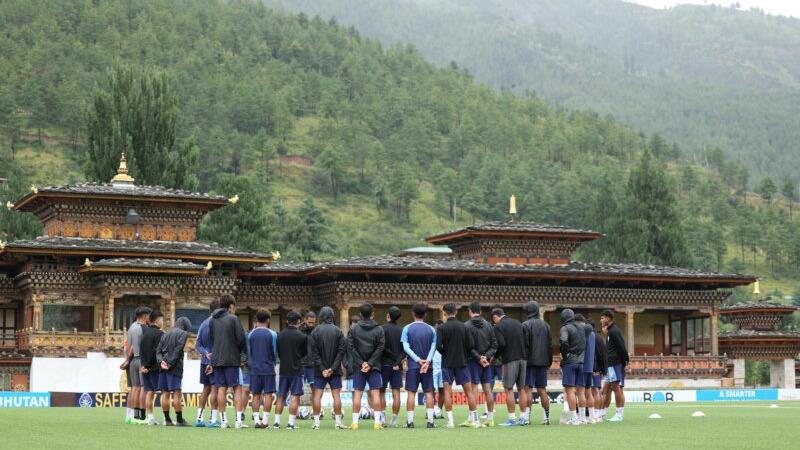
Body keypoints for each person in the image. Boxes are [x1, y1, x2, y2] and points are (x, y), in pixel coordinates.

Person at [207, 294, 247, 429]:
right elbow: (241, 339)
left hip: (217, 359)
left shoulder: (212, 320)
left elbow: (212, 340)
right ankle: (238, 421)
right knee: (236, 389)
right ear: (231, 306)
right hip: (231, 359)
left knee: (221, 389)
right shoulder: (233, 319)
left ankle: (224, 421)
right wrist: (239, 353)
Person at [437, 303, 479, 429]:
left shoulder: (442, 328)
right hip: (462, 362)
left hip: (447, 363)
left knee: (447, 392)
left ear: (444, 313)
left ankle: (450, 422)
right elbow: (471, 345)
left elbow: (438, 346)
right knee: (469, 392)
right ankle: (475, 420)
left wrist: (446, 353)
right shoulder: (464, 326)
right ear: (455, 312)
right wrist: (462, 352)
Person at [347, 303, 385, 430]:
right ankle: (377, 423)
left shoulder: (353, 329)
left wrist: (361, 362)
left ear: (360, 314)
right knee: (375, 394)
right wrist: (370, 363)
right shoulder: (379, 329)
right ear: (372, 314)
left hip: (359, 367)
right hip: (374, 366)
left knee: (357, 394)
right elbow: (380, 347)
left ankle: (355, 423)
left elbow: (351, 347)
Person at [308, 306, 347, 430]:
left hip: (319, 370)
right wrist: (332, 368)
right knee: (336, 396)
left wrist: (322, 368)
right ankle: (338, 422)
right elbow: (341, 352)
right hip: (334, 370)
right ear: (332, 316)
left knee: (317, 395)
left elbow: (314, 353)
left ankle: (316, 423)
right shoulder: (339, 331)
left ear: (321, 317)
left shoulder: (315, 331)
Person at [401, 303, 437, 428]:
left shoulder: (407, 328)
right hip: (428, 366)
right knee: (429, 392)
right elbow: (433, 347)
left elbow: (406, 347)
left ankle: (410, 422)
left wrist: (417, 360)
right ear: (425, 314)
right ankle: (431, 422)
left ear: (413, 314)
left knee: (411, 393)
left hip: (413, 366)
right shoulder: (431, 329)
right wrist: (427, 361)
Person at [492, 307, 528, 427]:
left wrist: (495, 357)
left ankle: (512, 419)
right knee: (522, 388)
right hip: (523, 359)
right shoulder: (518, 323)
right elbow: (526, 341)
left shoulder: (498, 326)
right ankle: (523, 418)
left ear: (495, 317)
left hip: (510, 360)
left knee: (508, 389)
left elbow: (501, 344)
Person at [464, 301, 497, 427]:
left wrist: (478, 358)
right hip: (486, 362)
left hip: (473, 361)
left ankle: (473, 418)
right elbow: (494, 345)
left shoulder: (466, 326)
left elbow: (468, 346)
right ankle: (490, 418)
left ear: (470, 311)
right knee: (488, 389)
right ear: (481, 311)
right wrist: (486, 357)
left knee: (473, 389)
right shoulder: (489, 325)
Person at [273, 311, 307, 430]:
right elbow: (304, 353)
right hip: (296, 369)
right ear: (298, 321)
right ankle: (291, 423)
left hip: (283, 369)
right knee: (295, 396)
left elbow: (279, 352)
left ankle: (276, 422)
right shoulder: (302, 336)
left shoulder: (280, 335)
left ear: (287, 321)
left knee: (281, 396)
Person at [521, 301, 552, 425]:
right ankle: (546, 418)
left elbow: (525, 346)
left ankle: (527, 418)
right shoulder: (546, 326)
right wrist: (548, 361)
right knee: (542, 389)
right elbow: (549, 345)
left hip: (529, 362)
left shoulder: (525, 325)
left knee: (527, 389)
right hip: (543, 361)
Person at [156, 316, 191, 426]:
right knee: (177, 393)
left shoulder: (165, 333)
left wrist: (162, 362)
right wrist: (170, 364)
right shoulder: (183, 334)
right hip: (175, 367)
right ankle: (180, 420)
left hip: (163, 367)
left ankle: (167, 420)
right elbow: (178, 350)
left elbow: (158, 351)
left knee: (165, 393)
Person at [246, 309, 277, 429]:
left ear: (256, 320)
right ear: (268, 320)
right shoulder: (273, 334)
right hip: (268, 368)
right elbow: (274, 352)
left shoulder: (251, 334)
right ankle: (264, 421)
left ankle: (256, 421)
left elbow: (250, 352)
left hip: (254, 369)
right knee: (268, 395)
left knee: (255, 395)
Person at [121, 306, 151, 424]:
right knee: (142, 388)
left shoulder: (131, 327)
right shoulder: (143, 328)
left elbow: (128, 346)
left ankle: (129, 415)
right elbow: (138, 347)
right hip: (140, 360)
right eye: (149, 316)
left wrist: (127, 360)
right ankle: (140, 416)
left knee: (133, 388)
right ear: (144, 316)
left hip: (132, 360)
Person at [194, 300, 219, 427]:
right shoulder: (218, 323)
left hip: (204, 361)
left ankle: (199, 418)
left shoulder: (203, 324)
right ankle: (213, 420)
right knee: (215, 389)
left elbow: (197, 344)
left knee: (205, 389)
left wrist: (205, 353)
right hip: (215, 361)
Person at [559, 308, 586, 426]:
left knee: (570, 390)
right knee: (581, 391)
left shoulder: (565, 328)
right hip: (581, 362)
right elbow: (584, 343)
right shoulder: (581, 328)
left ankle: (574, 418)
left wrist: (565, 355)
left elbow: (564, 341)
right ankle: (583, 418)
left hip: (570, 362)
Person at [601, 309, 628, 422]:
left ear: (608, 318)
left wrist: (626, 362)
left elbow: (621, 347)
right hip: (610, 364)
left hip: (615, 364)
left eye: (602, 318)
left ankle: (619, 415)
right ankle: (603, 413)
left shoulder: (614, 331)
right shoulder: (609, 331)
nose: (601, 320)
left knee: (617, 388)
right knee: (606, 389)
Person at [380, 306, 404, 428]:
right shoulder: (402, 330)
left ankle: (383, 418)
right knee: (396, 392)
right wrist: (397, 361)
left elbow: (382, 348)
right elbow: (404, 350)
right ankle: (394, 421)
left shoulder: (382, 329)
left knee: (381, 391)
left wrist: (392, 358)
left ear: (388, 315)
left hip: (384, 364)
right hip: (397, 365)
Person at [139, 310, 165, 426]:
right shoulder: (160, 334)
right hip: (155, 368)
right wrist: (149, 366)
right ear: (157, 320)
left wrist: (144, 365)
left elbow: (142, 351)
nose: (163, 322)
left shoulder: (145, 333)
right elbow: (156, 352)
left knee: (149, 392)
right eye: (162, 320)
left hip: (145, 367)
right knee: (164, 392)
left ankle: (150, 417)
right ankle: (166, 417)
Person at [575, 314, 595, 424]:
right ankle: (591, 417)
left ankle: (582, 418)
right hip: (590, 366)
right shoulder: (592, 334)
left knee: (580, 392)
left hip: (581, 365)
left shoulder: (581, 332)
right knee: (589, 392)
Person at [590, 319, 608, 423]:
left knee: (593, 391)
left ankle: (593, 416)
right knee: (597, 391)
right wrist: (603, 370)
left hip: (591, 368)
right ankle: (598, 415)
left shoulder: (588, 337)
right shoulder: (600, 338)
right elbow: (604, 355)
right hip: (599, 369)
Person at [300, 311, 317, 391]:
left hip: (313, 365)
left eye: (313, 323)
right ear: (305, 320)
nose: (311, 325)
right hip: (301, 365)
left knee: (315, 389)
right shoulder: (298, 331)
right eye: (309, 322)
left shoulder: (317, 332)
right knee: (298, 390)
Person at [432, 320, 445, 419]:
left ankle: (438, 411)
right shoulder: (431, 336)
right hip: (433, 366)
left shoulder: (446, 336)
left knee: (442, 390)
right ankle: (431, 410)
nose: (437, 329)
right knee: (432, 390)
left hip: (443, 366)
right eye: (436, 327)